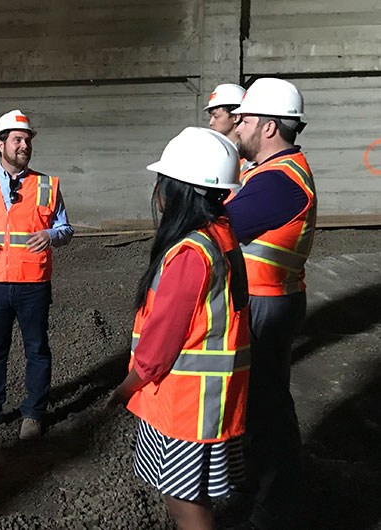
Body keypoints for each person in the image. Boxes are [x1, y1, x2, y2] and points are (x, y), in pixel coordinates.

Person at [106, 127, 250, 530]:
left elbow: (161, 342)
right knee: (192, 497)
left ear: (179, 191)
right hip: (209, 404)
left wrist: (128, 385)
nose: (158, 192)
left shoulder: (189, 253)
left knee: (186, 503)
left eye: (163, 183)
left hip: (186, 409)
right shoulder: (221, 235)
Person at [227, 78, 315, 530]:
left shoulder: (279, 181)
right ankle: (259, 488)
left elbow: (219, 228)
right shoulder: (264, 173)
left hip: (269, 304)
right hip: (262, 300)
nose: (234, 125)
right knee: (257, 404)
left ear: (268, 127)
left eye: (242, 118)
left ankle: (274, 511)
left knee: (266, 409)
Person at [0, 110, 74, 441]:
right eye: (18, 140)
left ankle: (33, 415)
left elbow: (66, 229)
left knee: (37, 349)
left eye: (27, 140)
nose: (24, 146)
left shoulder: (48, 185)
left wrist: (51, 235)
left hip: (33, 283)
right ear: (0, 144)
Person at [204, 83, 256, 180]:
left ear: (236, 117)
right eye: (210, 117)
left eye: (216, 116)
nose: (211, 122)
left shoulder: (253, 157)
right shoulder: (212, 155)